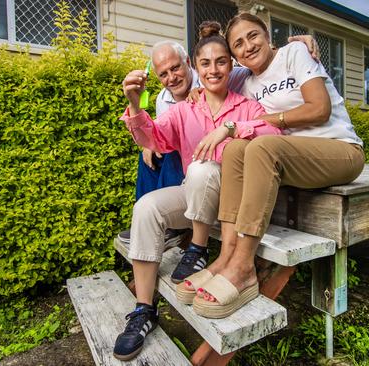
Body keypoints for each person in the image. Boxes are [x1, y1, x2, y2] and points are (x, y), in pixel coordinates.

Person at [113, 21, 282, 361]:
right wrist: (134, 105)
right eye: (206, 63)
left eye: (221, 61)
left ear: (230, 65)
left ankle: (198, 250)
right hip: (196, 197)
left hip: (235, 200)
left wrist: (233, 130)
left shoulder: (246, 105)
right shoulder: (184, 109)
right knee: (147, 207)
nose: (214, 69)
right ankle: (144, 309)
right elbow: (154, 139)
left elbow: (274, 137)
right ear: (198, 66)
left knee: (204, 167)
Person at [187, 12, 365, 319]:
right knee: (236, 150)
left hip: (340, 151)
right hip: (295, 158)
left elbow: (320, 109)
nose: (247, 46)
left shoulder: (294, 53)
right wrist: (195, 90)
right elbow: (212, 76)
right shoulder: (244, 77)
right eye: (238, 44)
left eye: (253, 36)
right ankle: (227, 254)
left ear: (268, 35)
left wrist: (240, 124)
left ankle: (244, 267)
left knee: (260, 143)